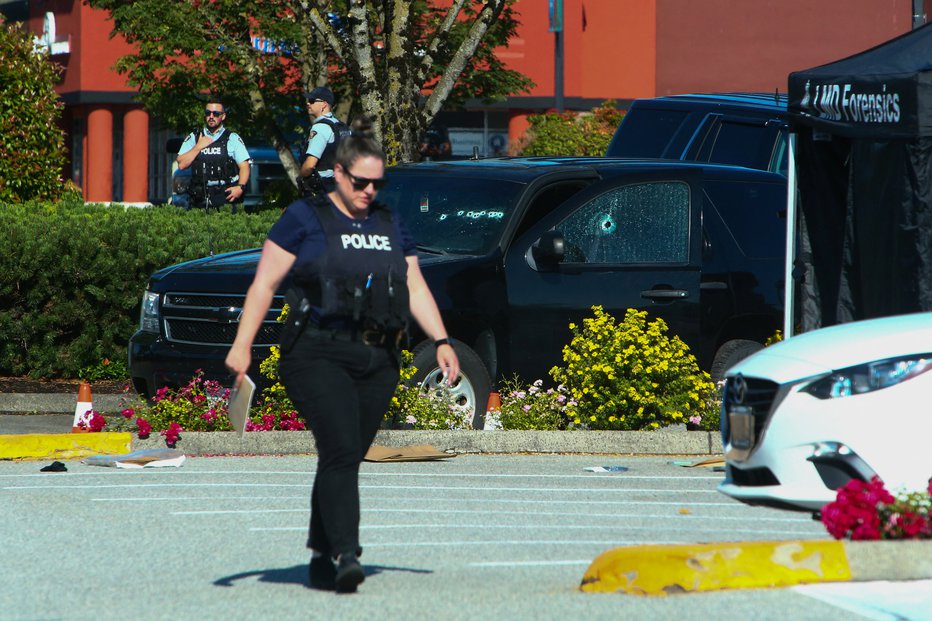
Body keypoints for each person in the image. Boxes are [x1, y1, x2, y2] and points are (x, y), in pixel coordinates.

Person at [225, 118, 460, 594]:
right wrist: (242, 345)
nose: (370, 190)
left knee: (344, 456)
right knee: (339, 449)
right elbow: (265, 284)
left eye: (378, 182)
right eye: (361, 181)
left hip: (378, 358)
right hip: (315, 352)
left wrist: (441, 341)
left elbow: (414, 285)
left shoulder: (390, 223)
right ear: (338, 173)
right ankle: (346, 553)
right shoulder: (304, 219)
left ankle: (317, 548)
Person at [176, 98, 251, 211]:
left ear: (223, 116)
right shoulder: (195, 137)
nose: (211, 116)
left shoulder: (232, 138)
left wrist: (240, 187)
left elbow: (244, 166)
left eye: (216, 113)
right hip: (199, 198)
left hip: (226, 197)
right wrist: (198, 147)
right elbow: (181, 164)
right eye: (208, 113)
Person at [299, 86, 352, 197]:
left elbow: (310, 165)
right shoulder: (342, 127)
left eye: (312, 101)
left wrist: (301, 176)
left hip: (323, 187)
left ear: (324, 104)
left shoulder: (320, 128)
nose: (308, 103)